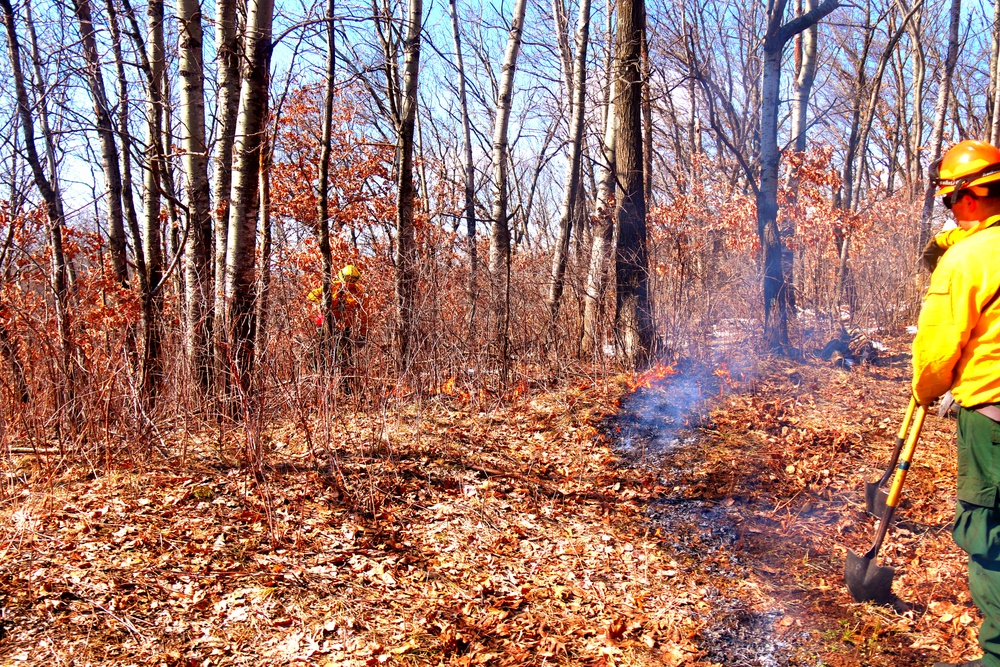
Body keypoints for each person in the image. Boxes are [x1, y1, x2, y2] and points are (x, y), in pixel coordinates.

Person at [912, 139, 1000, 667]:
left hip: (992, 419)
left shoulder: (966, 260)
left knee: (988, 533)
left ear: (965, 197)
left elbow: (937, 352)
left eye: (948, 197)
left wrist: (925, 388)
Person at [308, 264, 368, 379]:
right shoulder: (331, 286)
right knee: (316, 353)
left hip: (344, 329)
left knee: (344, 358)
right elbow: (311, 295)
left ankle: (345, 384)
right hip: (325, 324)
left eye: (351, 283)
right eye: (346, 282)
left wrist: (362, 334)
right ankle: (318, 377)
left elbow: (364, 315)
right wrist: (321, 302)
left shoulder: (359, 293)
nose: (347, 285)